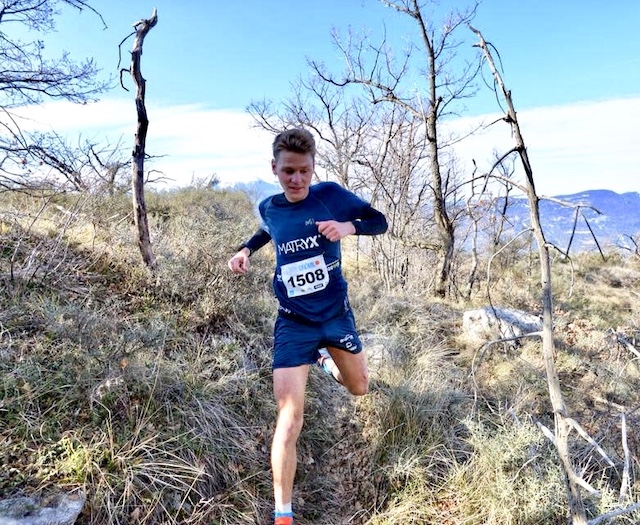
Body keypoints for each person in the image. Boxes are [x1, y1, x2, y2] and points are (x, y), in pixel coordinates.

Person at [227, 128, 388, 525]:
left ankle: (326, 361)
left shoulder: (330, 196)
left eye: (303, 171)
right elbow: (270, 228)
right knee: (289, 417)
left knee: (359, 387)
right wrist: (246, 250)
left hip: (335, 316)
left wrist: (348, 227)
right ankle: (283, 515)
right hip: (293, 323)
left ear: (314, 168)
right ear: (274, 169)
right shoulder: (270, 205)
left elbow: (379, 221)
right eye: (288, 172)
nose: (296, 180)